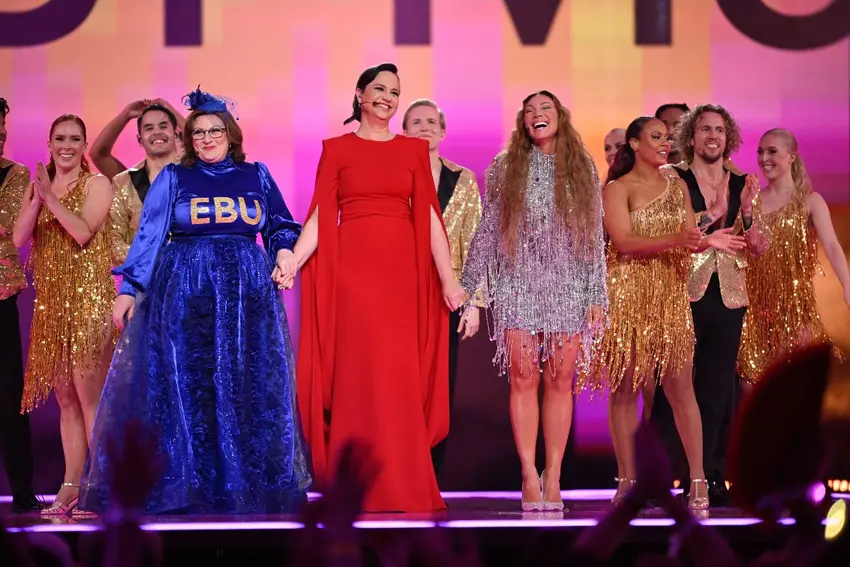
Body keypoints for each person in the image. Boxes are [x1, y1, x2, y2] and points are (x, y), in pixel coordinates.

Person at [78, 88, 311, 515]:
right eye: (198, 132)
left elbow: (280, 225)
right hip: (187, 293)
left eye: (214, 131)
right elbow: (149, 236)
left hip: (244, 297)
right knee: (189, 386)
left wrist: (283, 252)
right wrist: (128, 290)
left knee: (243, 384)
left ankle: (242, 483)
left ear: (230, 134)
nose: (206, 139)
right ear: (188, 138)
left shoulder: (257, 175)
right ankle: (190, 485)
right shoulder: (174, 177)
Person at [288, 63, 465, 513]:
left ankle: (403, 481)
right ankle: (358, 487)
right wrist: (294, 259)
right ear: (360, 94)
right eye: (380, 89)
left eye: (395, 92)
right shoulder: (336, 149)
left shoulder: (411, 150)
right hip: (353, 272)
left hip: (403, 273)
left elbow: (430, 218)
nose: (388, 97)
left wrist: (448, 278)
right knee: (359, 372)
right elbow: (320, 215)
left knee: (398, 373)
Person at [582, 116, 746, 510]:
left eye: (668, 138)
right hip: (629, 293)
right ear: (634, 144)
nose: (664, 143)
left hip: (670, 294)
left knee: (681, 390)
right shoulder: (618, 188)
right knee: (625, 390)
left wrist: (711, 234)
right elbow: (623, 241)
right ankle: (627, 480)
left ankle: (698, 480)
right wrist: (680, 237)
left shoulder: (676, 186)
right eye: (656, 137)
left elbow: (690, 237)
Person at [459, 90, 607, 511]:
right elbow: (488, 229)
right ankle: (528, 472)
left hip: (568, 284)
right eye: (529, 111)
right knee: (523, 378)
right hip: (518, 283)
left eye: (545, 109)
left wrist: (596, 292)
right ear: (523, 123)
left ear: (560, 116)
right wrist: (468, 287)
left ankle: (553, 474)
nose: (537, 115)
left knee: (560, 380)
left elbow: (593, 233)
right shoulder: (505, 166)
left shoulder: (581, 165)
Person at [649, 104, 770, 506]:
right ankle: (658, 477)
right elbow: (668, 231)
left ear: (728, 137)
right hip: (680, 291)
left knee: (717, 390)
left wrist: (746, 211)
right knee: (672, 389)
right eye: (704, 129)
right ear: (691, 136)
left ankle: (710, 477)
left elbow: (759, 246)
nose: (713, 136)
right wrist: (712, 215)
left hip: (728, 295)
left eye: (719, 129)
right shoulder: (672, 178)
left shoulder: (742, 182)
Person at [12, 114, 116, 515]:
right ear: (50, 143)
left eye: (75, 139)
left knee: (90, 399)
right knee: (66, 399)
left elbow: (83, 231)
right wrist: (39, 197)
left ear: (84, 144)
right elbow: (19, 238)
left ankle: (99, 487)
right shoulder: (38, 187)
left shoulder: (97, 184)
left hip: (89, 302)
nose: (67, 146)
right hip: (51, 307)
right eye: (60, 138)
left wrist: (51, 199)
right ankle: (72, 485)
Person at [402, 98, 484, 475]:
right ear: (404, 130)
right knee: (401, 379)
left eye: (431, 122)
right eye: (416, 122)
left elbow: (475, 241)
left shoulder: (462, 178)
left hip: (446, 294)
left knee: (439, 382)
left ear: (443, 131)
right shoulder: (393, 173)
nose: (424, 128)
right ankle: (398, 469)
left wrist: (473, 303)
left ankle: (430, 474)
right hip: (399, 287)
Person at [737, 129, 850, 383]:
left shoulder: (811, 202)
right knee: (755, 385)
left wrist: (847, 285)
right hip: (754, 311)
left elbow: (832, 246)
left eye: (772, 151)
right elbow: (741, 249)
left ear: (791, 157)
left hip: (795, 310)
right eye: (760, 152)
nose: (764, 158)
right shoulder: (750, 202)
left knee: (795, 382)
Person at [0, 97, 42, 513]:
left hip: (2, 297)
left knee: (10, 396)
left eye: (1, 132)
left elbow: (12, 228)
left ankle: (23, 490)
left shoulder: (17, 175)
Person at [98, 102, 183, 266]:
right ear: (139, 139)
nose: (157, 132)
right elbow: (113, 244)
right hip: (144, 277)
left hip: (192, 273)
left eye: (163, 126)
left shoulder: (195, 174)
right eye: (149, 128)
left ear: (176, 133)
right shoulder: (124, 182)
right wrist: (152, 256)